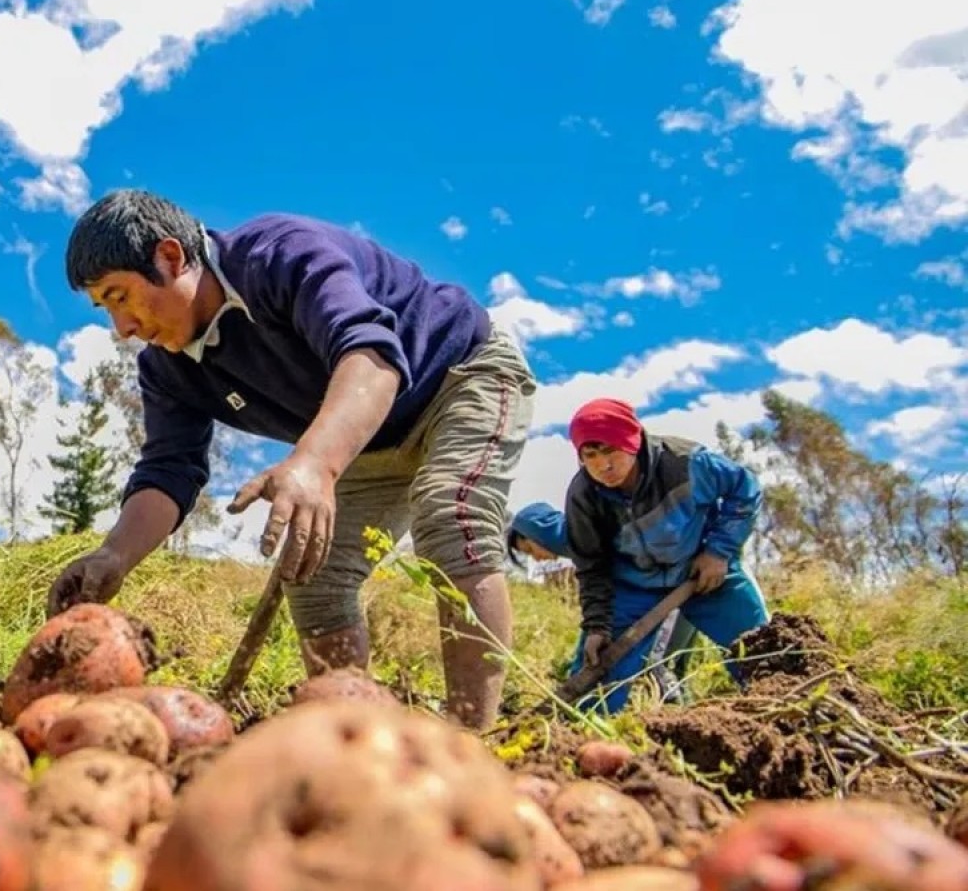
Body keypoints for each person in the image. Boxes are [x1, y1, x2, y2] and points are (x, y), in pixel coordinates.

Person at [45, 188, 537, 731]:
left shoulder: (280, 254)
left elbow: (371, 355)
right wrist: (114, 555)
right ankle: (352, 737)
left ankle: (472, 739)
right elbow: (169, 469)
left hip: (457, 377)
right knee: (313, 573)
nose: (123, 328)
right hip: (370, 440)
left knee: (450, 513)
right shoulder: (167, 368)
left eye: (120, 297)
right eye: (106, 309)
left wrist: (315, 465)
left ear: (170, 256)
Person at [561, 397, 771, 713]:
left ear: (632, 442)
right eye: (590, 455)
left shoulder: (685, 463)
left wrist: (718, 552)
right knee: (596, 682)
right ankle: (578, 735)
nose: (603, 466)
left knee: (762, 650)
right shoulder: (584, 496)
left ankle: (788, 710)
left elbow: (744, 489)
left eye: (610, 450)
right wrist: (597, 625)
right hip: (633, 587)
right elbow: (592, 565)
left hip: (702, 571)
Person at [507, 501, 701, 705]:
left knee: (654, 664)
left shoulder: (585, 535)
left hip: (665, 590)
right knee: (668, 666)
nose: (536, 559)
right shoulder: (584, 537)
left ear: (537, 532)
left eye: (529, 549)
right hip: (680, 583)